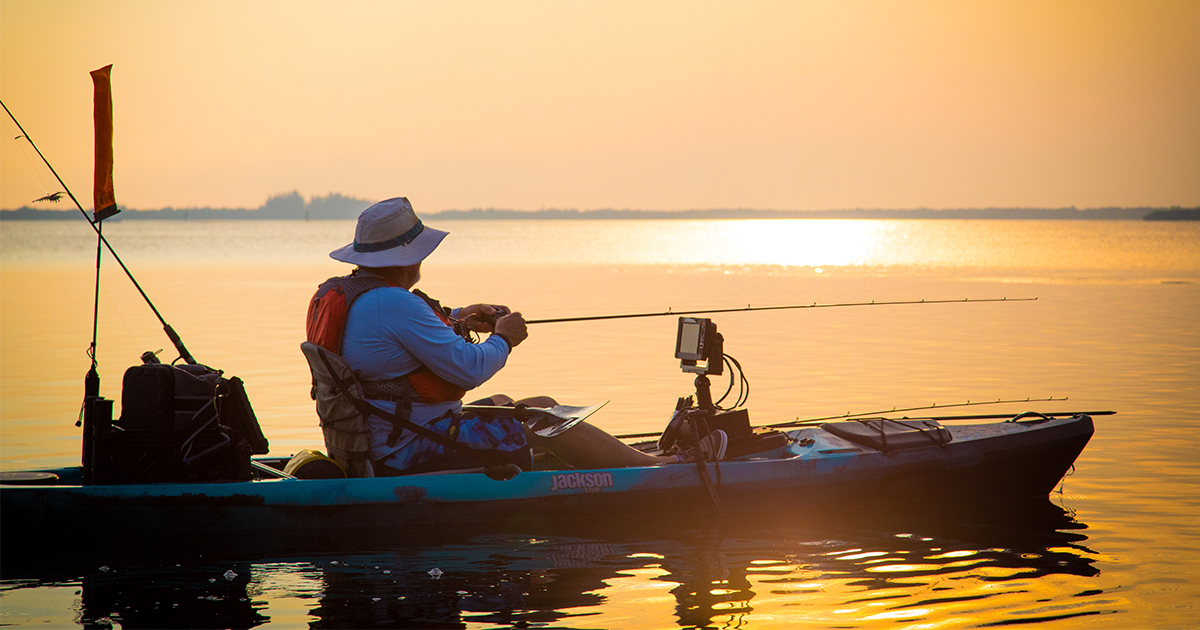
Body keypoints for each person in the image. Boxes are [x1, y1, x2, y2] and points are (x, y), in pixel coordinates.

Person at [309, 197, 726, 476]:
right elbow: (470, 368)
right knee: (544, 422)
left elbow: (390, 342)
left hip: (382, 441)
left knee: (538, 406)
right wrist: (504, 338)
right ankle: (660, 469)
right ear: (409, 256)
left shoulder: (353, 294)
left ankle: (625, 461)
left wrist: (460, 318)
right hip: (408, 451)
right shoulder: (394, 304)